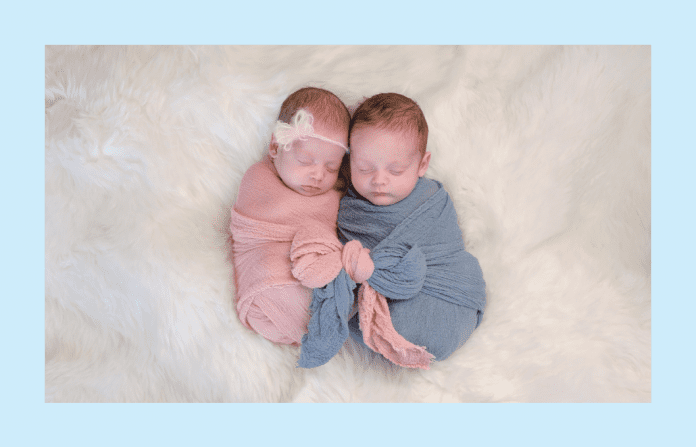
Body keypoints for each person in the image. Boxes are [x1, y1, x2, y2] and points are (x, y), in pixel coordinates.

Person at [299, 93, 486, 368]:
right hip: (395, 306)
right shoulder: (350, 208)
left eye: (396, 170)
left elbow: (446, 248)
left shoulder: (433, 199)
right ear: (350, 162)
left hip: (451, 291)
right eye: (364, 168)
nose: (379, 181)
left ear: (422, 164)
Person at [229, 87, 351, 345]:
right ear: (275, 146)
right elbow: (261, 231)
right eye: (306, 160)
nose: (318, 175)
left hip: (321, 294)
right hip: (264, 291)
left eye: (331, 167)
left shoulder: (337, 194)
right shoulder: (258, 178)